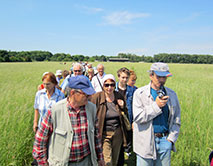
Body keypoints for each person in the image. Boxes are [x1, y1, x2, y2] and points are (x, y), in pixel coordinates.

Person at [32, 75, 105, 166]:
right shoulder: (54, 111)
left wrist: (100, 158)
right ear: (73, 93)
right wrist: (43, 163)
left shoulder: (91, 109)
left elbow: (96, 137)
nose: (89, 96)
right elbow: (40, 141)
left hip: (86, 162)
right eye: (85, 94)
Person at [133, 62, 181, 166]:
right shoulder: (140, 94)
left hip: (165, 141)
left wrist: (170, 140)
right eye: (159, 77)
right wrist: (156, 106)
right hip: (145, 141)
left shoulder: (172, 95)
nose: (162, 80)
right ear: (151, 75)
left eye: (164, 77)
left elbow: (177, 119)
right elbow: (138, 117)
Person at [90, 74, 128, 166]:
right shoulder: (97, 97)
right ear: (103, 86)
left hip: (117, 133)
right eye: (106, 85)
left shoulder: (118, 96)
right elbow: (90, 111)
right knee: (107, 161)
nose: (109, 87)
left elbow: (125, 114)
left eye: (112, 85)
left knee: (115, 160)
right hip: (104, 133)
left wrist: (122, 107)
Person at [115, 67, 135, 165]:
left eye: (126, 78)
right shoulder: (111, 88)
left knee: (127, 138)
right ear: (118, 77)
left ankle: (125, 155)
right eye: (122, 77)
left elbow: (135, 107)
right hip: (116, 118)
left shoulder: (133, 90)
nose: (124, 80)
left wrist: (134, 121)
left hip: (128, 118)